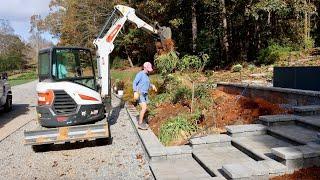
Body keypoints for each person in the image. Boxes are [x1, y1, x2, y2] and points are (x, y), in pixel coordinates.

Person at [133, 62, 157, 130]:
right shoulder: (140, 74)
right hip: (140, 93)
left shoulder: (147, 75)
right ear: (145, 67)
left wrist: (152, 85)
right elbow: (134, 82)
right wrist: (135, 91)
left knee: (145, 108)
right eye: (148, 69)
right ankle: (140, 124)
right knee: (144, 108)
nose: (149, 70)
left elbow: (147, 83)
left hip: (145, 94)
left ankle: (142, 118)